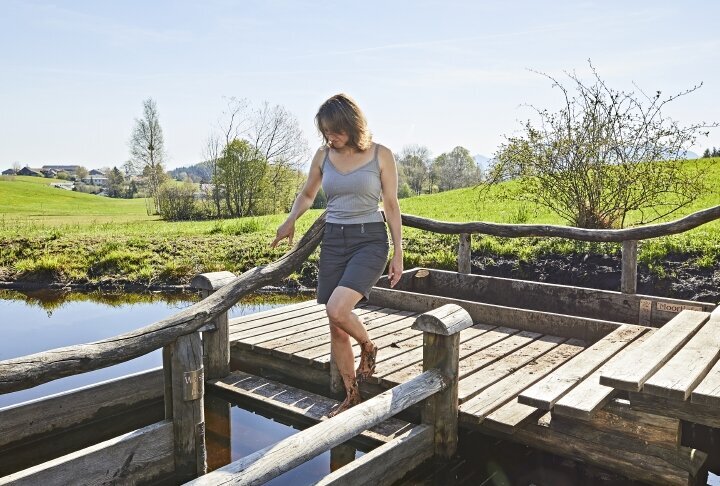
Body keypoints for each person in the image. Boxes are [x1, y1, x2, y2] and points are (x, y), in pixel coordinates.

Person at [271, 93, 403, 416]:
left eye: (336, 130)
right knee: (335, 325)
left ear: (351, 124)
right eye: (326, 131)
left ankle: (369, 346)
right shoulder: (322, 156)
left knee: (337, 308)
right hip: (334, 242)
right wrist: (290, 221)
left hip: (369, 241)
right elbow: (307, 194)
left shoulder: (380, 155)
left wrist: (399, 251)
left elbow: (391, 205)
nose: (330, 137)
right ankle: (351, 396)